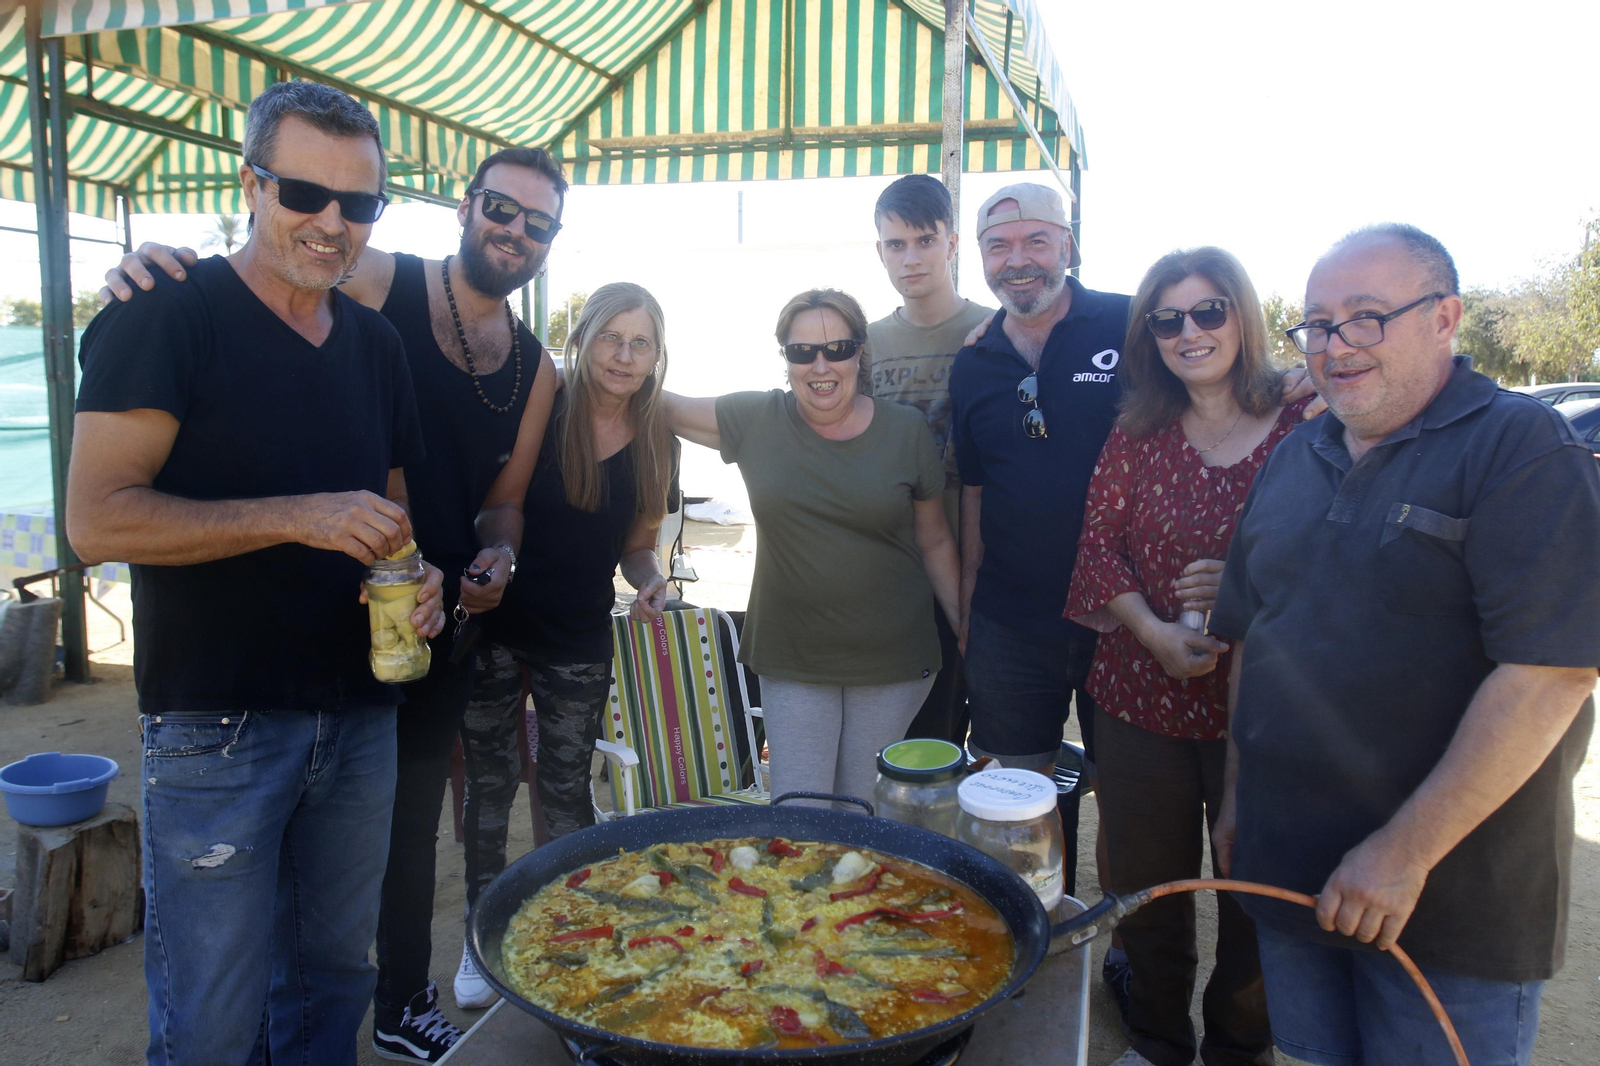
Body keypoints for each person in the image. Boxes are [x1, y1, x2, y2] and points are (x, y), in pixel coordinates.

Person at [101, 149, 567, 1061]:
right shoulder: (378, 278)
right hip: (260, 655)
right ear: (467, 208)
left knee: (384, 854)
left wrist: (495, 554)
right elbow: (273, 267)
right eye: (501, 209)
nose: (515, 232)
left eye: (538, 223)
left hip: (419, 622)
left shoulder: (532, 364)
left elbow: (502, 495)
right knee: (230, 967)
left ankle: (399, 1002)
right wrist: (159, 269)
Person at [66, 81, 447, 1066]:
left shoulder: (375, 346)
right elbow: (95, 519)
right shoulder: (167, 312)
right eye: (304, 194)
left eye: (358, 204)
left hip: (360, 720)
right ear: (251, 183)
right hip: (217, 726)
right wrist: (298, 516)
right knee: (213, 1019)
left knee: (332, 987)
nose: (331, 223)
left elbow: (395, 527)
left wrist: (424, 577)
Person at [1210, 224, 1600, 1066]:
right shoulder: (1294, 456)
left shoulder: (1521, 447)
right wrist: (1240, 797)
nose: (1335, 345)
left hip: (1449, 903)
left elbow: (1552, 670)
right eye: (1316, 323)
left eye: (1366, 317)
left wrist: (1402, 852)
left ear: (1445, 317)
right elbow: (1249, 637)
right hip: (1290, 876)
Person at [1065, 247, 1293, 1066]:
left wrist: (1243, 580)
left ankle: (1239, 1048)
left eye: (1208, 311)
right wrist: (1154, 633)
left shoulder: (1306, 423)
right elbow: (1097, 551)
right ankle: (1159, 1040)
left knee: (1254, 893)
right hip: (1140, 698)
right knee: (1148, 886)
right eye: (1167, 319)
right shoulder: (1139, 430)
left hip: (1266, 705)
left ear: (1242, 315)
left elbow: (1342, 550)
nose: (1189, 332)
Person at [666, 288, 961, 805]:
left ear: (860, 352)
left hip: (891, 663)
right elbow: (658, 406)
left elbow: (934, 539)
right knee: (802, 819)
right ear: (786, 359)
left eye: (837, 348)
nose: (820, 364)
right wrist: (562, 374)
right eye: (802, 352)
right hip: (793, 659)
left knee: (864, 815)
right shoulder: (757, 419)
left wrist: (966, 629)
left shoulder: (906, 431)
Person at [460, 282, 676, 960]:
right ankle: (483, 933)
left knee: (566, 793)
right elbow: (498, 505)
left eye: (640, 342)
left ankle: (562, 928)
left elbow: (637, 548)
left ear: (655, 356)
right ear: (582, 339)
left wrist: (651, 583)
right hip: (498, 626)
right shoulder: (540, 408)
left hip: (579, 638)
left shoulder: (657, 439)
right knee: (489, 786)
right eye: (612, 336)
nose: (623, 354)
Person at [867, 174, 992, 746]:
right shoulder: (861, 345)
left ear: (952, 241)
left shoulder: (998, 334)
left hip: (985, 571)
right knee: (910, 750)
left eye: (924, 240)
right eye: (896, 244)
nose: (910, 258)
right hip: (896, 580)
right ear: (880, 251)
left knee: (987, 750)